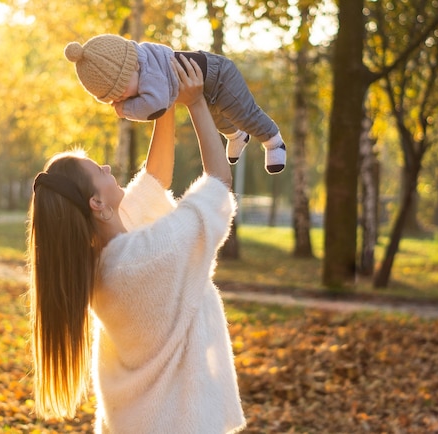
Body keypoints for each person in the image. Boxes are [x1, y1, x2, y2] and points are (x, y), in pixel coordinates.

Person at [27, 55, 245, 433]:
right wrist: (194, 103)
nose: (109, 169)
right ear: (97, 204)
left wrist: (163, 96)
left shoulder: (99, 260)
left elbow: (154, 178)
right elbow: (219, 185)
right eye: (100, 171)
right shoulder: (148, 257)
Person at [64, 33, 286, 174]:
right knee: (219, 119)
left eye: (120, 92)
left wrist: (125, 110)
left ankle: (273, 141)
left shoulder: (149, 74)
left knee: (244, 114)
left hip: (221, 77)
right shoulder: (141, 61)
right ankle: (237, 136)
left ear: (131, 68)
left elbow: (156, 106)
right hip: (205, 87)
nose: (121, 99)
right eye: (115, 99)